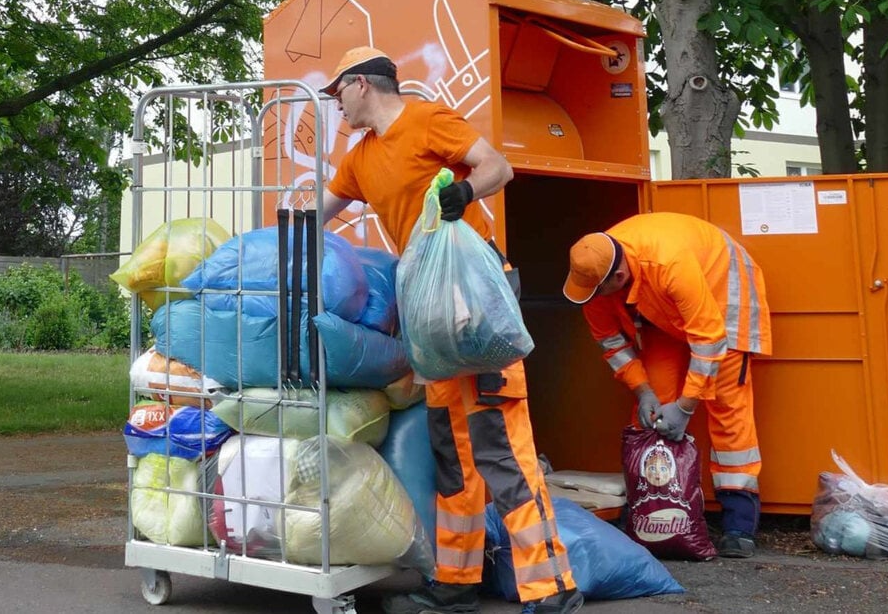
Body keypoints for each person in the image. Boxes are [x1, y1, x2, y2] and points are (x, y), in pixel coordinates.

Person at [318, 46, 582, 614]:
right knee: (453, 452)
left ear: (362, 84)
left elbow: (497, 167)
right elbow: (319, 210)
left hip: (476, 301)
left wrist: (463, 192)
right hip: (428, 309)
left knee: (502, 448)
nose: (334, 104)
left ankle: (552, 587)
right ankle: (456, 583)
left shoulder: (427, 119)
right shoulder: (361, 158)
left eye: (336, 91)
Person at [562, 212, 772, 559]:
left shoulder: (669, 263)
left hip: (725, 298)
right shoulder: (594, 276)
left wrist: (687, 406)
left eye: (598, 292)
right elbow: (611, 343)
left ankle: (739, 524)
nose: (593, 299)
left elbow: (709, 339)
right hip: (665, 311)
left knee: (726, 407)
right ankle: (652, 510)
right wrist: (643, 390)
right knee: (653, 409)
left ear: (618, 277)